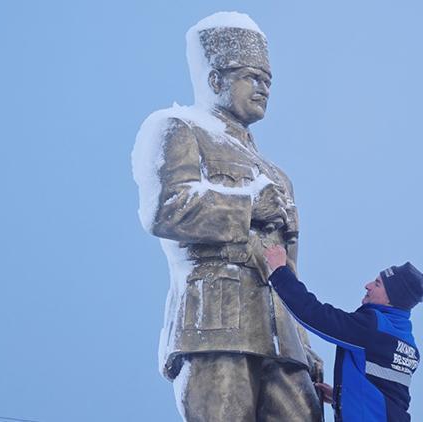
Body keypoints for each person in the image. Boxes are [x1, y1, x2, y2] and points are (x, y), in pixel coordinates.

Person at [133, 12, 322, 422]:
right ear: (216, 80)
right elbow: (166, 208)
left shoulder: (278, 175)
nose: (263, 88)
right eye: (251, 76)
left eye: (268, 80)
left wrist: (304, 342)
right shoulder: (178, 128)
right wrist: (249, 206)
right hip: (214, 323)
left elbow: (290, 270)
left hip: (283, 341)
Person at [264, 245, 423, 422]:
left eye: (377, 283)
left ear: (391, 298)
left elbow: (314, 314)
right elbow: (387, 390)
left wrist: (280, 271)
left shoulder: (373, 328)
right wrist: (341, 397)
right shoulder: (407, 342)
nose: (368, 285)